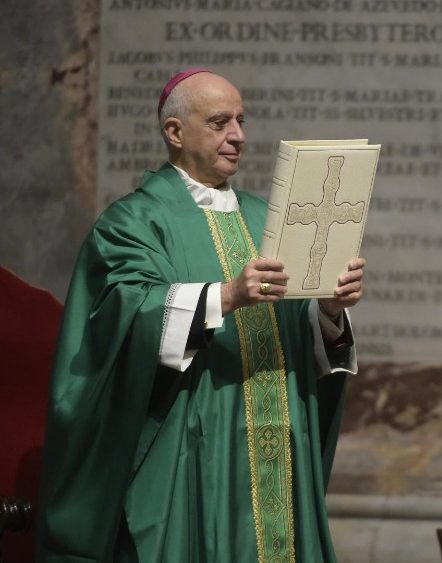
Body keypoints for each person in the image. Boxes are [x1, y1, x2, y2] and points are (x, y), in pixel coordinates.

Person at [37, 69, 365, 562]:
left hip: (280, 452)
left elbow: (299, 337)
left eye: (240, 120)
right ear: (175, 132)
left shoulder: (269, 218)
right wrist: (226, 296)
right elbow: (122, 325)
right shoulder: (134, 223)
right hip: (195, 455)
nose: (239, 135)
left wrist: (330, 312)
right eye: (219, 122)